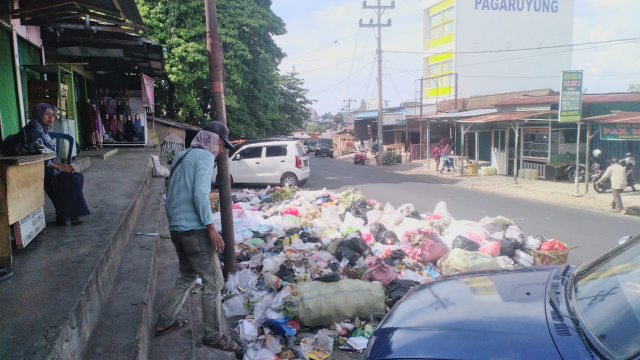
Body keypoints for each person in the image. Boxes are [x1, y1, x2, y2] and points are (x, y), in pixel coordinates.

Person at [154, 121, 240, 354]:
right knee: (214, 281)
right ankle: (213, 335)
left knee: (187, 276)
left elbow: (171, 192)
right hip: (194, 230)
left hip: (177, 228)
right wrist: (211, 228)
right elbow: (200, 195)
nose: (221, 150)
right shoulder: (204, 157)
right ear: (216, 141)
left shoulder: (182, 155)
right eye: (222, 145)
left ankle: (165, 321)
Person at [24, 103, 90, 225]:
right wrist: (62, 167)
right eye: (47, 114)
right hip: (39, 171)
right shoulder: (32, 131)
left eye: (53, 115)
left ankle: (63, 213)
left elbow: (52, 156)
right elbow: (42, 158)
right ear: (39, 115)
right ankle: (67, 214)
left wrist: (63, 166)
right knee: (72, 180)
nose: (51, 118)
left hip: (49, 168)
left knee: (78, 177)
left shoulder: (43, 131)